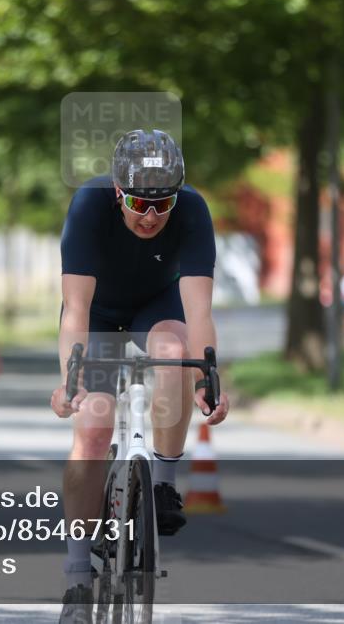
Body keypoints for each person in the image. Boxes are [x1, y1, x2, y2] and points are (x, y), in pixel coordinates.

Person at [51, 129, 229, 620]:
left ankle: (163, 484)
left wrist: (206, 379)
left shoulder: (193, 210)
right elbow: (74, 310)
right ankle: (77, 576)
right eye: (137, 202)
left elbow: (199, 313)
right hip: (100, 314)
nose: (150, 216)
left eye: (162, 204)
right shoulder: (89, 206)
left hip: (158, 305)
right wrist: (73, 379)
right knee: (92, 427)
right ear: (116, 192)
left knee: (175, 351)